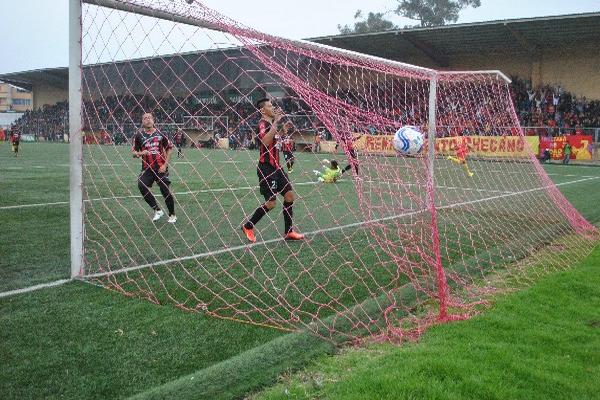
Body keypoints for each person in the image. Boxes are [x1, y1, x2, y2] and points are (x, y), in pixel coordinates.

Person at [241, 98, 304, 243]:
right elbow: (265, 141)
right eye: (269, 106)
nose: (273, 107)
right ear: (263, 110)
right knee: (271, 203)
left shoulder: (271, 124)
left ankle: (289, 232)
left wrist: (283, 130)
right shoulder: (262, 124)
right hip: (266, 169)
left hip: (277, 167)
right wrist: (276, 122)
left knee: (289, 196)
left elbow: (275, 141)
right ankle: (248, 226)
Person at [132, 113, 177, 223]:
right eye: (145, 118)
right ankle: (157, 210)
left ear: (153, 120)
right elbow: (134, 153)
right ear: (142, 122)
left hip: (160, 167)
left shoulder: (161, 133)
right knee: (141, 185)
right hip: (147, 168)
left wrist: (165, 165)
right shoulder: (138, 136)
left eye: (149, 118)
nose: (148, 120)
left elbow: (169, 148)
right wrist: (142, 152)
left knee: (165, 190)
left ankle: (172, 215)